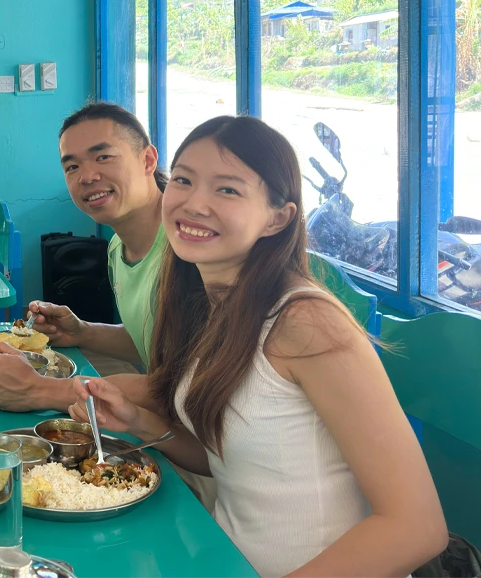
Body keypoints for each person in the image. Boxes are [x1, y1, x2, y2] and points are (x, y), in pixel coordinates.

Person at [70, 116, 447, 576]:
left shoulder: (305, 323)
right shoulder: (207, 305)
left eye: (226, 190)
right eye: (184, 180)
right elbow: (230, 467)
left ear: (278, 217)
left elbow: (417, 527)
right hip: (225, 560)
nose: (194, 203)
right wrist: (140, 423)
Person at [0, 102, 168, 413]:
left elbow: (180, 386)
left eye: (103, 157)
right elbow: (154, 343)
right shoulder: (117, 249)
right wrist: (81, 331)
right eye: (72, 166)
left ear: (147, 159)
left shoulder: (187, 251)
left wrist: (41, 390)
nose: (87, 176)